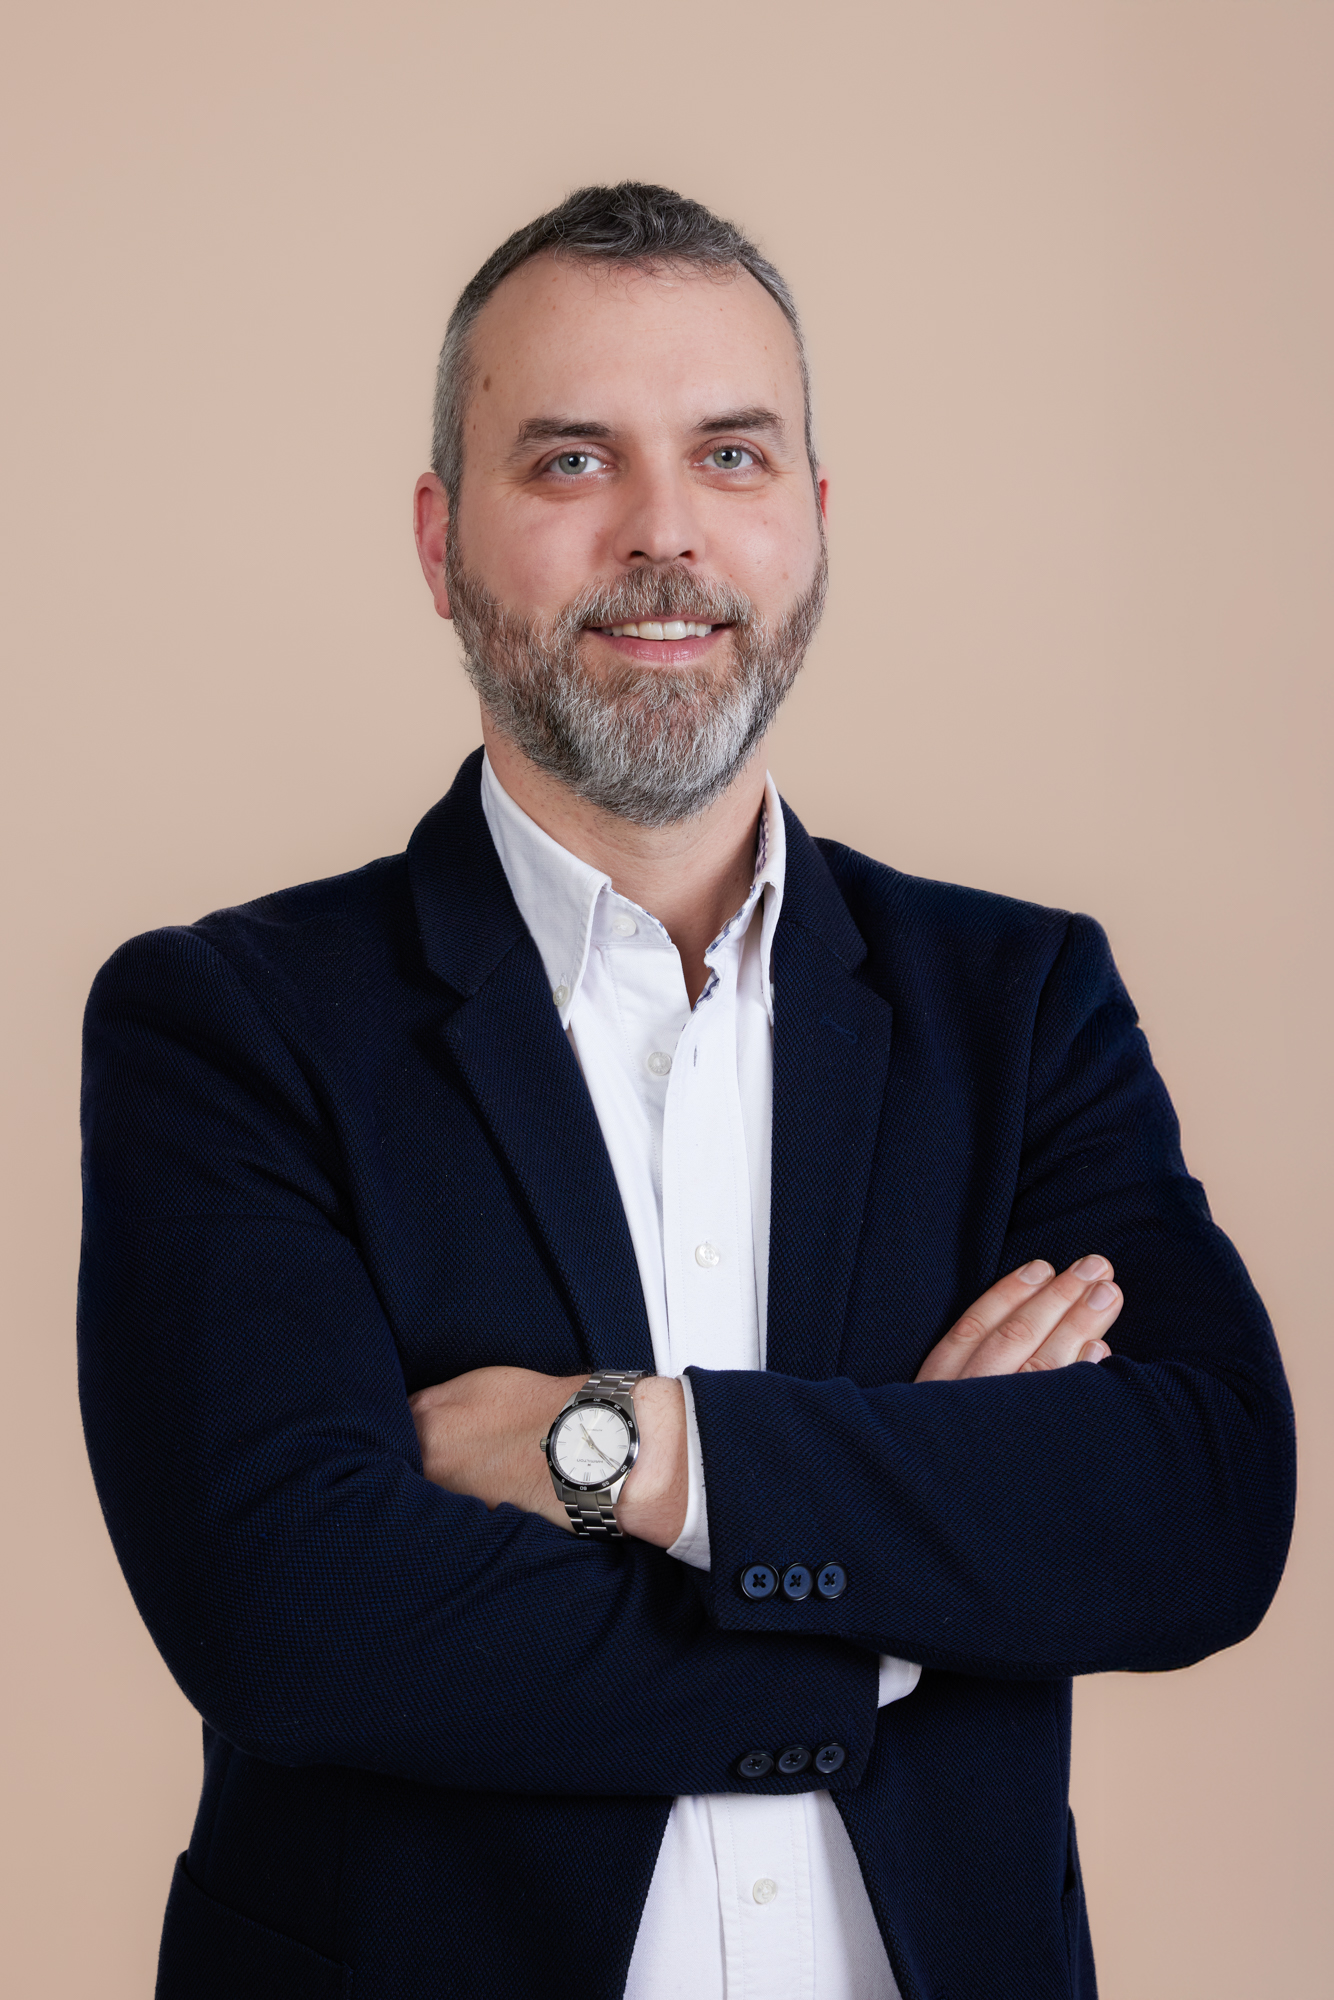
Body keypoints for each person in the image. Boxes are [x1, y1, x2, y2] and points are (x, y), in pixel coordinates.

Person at [78, 183, 1295, 2000]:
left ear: (812, 520)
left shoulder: (1018, 1002)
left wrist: (622, 1451)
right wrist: (900, 1583)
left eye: (731, 455)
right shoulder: (231, 1023)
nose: (663, 532)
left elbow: (1199, 1507)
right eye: (571, 461)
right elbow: (298, 1617)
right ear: (440, 541)